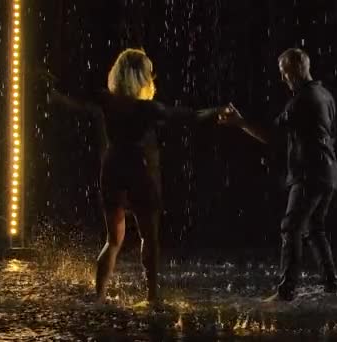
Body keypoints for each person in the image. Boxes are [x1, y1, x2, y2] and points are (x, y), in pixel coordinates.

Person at [49, 48, 229, 304]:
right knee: (149, 238)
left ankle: (98, 296)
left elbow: (77, 101)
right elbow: (188, 116)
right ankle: (153, 295)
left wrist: (52, 93)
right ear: (141, 77)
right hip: (139, 169)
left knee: (112, 240)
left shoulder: (106, 100)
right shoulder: (147, 109)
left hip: (112, 168)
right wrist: (217, 110)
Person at [218, 48, 337, 301]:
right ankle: (331, 284)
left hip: (309, 174)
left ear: (294, 70)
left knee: (291, 226)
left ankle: (286, 292)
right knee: (314, 228)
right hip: (329, 171)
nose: (282, 78)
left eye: (284, 73)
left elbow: (271, 136)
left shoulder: (301, 101)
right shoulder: (325, 95)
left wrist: (240, 123)